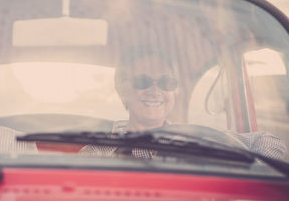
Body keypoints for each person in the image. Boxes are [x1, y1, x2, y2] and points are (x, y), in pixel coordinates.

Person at [80, 46, 287, 160]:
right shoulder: (102, 148)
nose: (155, 90)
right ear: (123, 90)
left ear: (174, 90)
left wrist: (252, 174)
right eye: (142, 81)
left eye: (165, 82)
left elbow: (267, 140)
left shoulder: (195, 139)